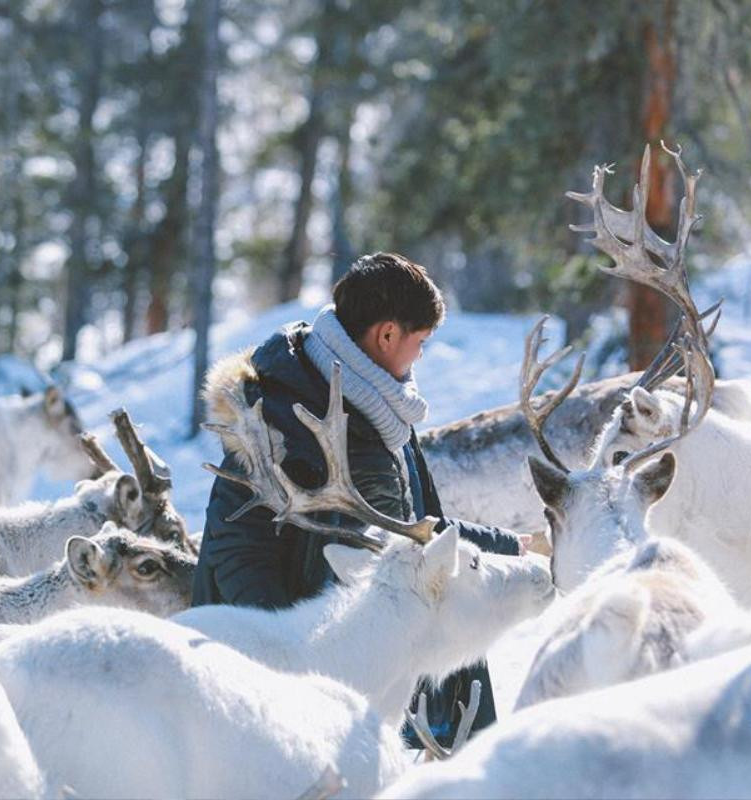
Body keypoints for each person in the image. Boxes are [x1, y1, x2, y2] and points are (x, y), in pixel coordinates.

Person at [193, 251, 532, 747]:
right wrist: (290, 659)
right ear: (387, 335)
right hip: (293, 684)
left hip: (377, 652)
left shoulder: (382, 404)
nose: (420, 356)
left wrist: (507, 545)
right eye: (420, 342)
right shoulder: (276, 415)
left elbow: (414, 527)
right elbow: (235, 547)